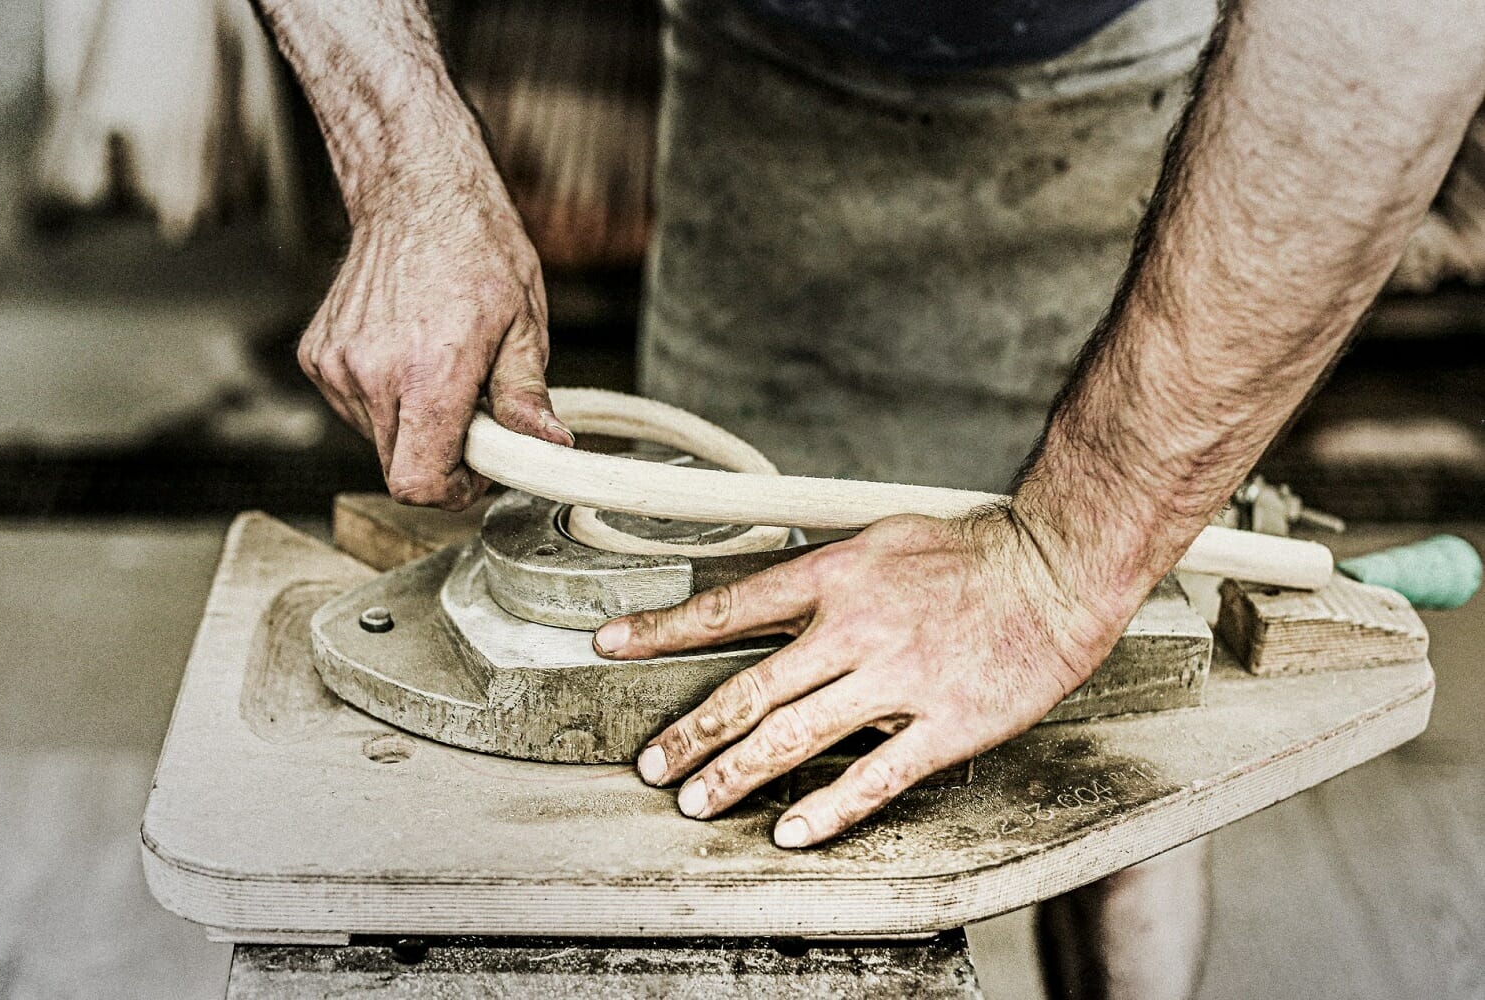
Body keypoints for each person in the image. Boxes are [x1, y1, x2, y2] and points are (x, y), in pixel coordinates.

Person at [252, 1, 1485, 996]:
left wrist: (1070, 560)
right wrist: (405, 158)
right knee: (725, 698)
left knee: (1116, 726)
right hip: (761, 77)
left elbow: (1394, 29)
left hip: (1122, 86)